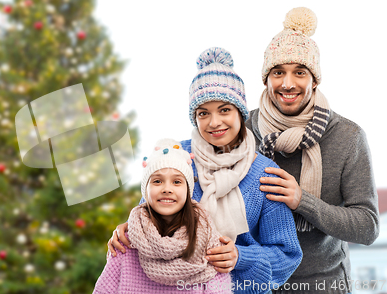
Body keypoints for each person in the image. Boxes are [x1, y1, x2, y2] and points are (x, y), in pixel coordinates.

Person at [109, 47, 302, 294]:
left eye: (224, 110)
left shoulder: (266, 174)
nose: (214, 123)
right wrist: (127, 229)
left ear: (241, 113)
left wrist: (241, 257)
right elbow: (147, 214)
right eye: (203, 113)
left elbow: (287, 256)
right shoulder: (176, 156)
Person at [246, 7, 379, 293]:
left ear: (315, 79)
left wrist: (301, 201)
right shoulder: (243, 129)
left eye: (300, 72)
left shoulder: (348, 137)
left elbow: (368, 227)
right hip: (253, 282)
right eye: (278, 72)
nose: (288, 83)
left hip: (323, 284)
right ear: (266, 79)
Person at [94, 138, 232, 293]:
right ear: (145, 192)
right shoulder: (125, 244)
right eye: (157, 181)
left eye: (177, 182)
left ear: (188, 191)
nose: (167, 189)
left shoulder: (210, 245)